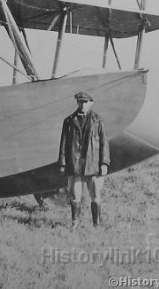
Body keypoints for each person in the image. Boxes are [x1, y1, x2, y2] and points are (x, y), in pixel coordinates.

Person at [58, 91, 109, 228]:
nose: (82, 105)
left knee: (95, 194)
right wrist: (62, 163)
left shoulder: (98, 121)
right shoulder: (69, 121)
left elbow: (104, 143)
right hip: (75, 164)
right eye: (80, 102)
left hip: (92, 165)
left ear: (91, 103)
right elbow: (63, 144)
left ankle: (96, 224)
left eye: (85, 102)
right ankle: (75, 223)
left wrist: (104, 163)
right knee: (75, 195)